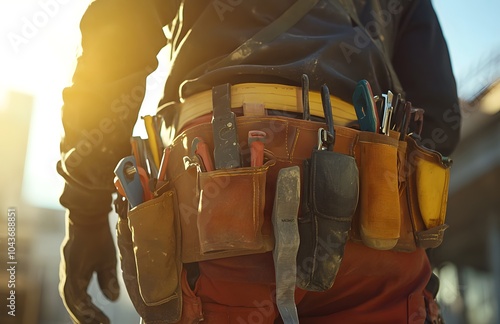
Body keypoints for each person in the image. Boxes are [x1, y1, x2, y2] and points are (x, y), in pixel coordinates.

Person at [57, 0, 461, 323]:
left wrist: (86, 208)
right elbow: (440, 117)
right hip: (378, 218)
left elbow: (118, 31)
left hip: (213, 203)